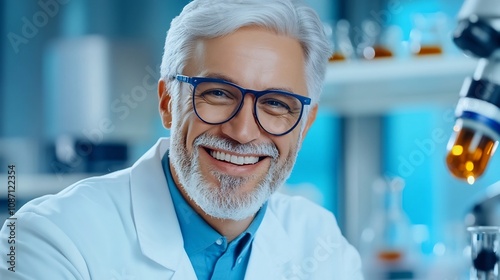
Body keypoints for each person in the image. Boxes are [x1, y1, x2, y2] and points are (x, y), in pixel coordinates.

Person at [0, 0, 363, 279]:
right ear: (167, 103)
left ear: (305, 123)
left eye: (274, 103)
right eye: (218, 93)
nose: (243, 132)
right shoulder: (52, 238)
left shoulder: (321, 241)